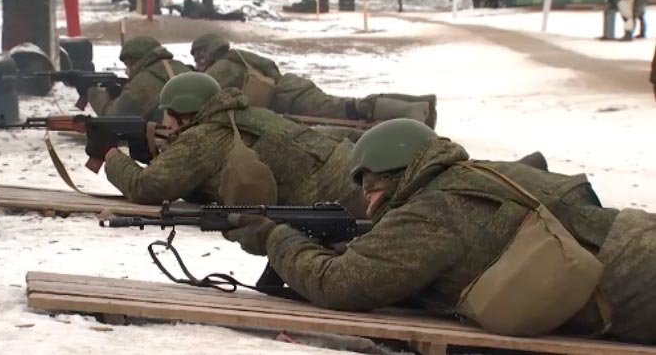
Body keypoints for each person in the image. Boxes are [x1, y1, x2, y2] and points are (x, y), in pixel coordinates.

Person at [222, 118, 656, 344]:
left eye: (369, 186)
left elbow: (340, 285)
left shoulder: (430, 210)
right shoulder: (471, 174)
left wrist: (275, 237)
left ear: (391, 176)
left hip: (635, 283)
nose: (367, 199)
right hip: (631, 239)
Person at [99, 72, 367, 218]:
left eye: (168, 112)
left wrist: (110, 155)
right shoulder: (249, 113)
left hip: (344, 197)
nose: (164, 120)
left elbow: (145, 188)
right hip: (352, 165)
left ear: (183, 110)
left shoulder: (202, 137)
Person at [190, 33, 438, 128]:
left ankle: (412, 111)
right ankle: (416, 106)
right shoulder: (240, 56)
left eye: (198, 58)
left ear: (205, 53)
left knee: (349, 111)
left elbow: (202, 99)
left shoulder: (221, 69)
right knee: (346, 108)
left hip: (291, 100)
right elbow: (272, 70)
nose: (198, 63)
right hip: (293, 88)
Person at [86, 36, 191, 121]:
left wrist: (92, 92)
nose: (126, 72)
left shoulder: (143, 82)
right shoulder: (181, 67)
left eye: (127, 65)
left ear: (136, 61)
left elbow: (113, 118)